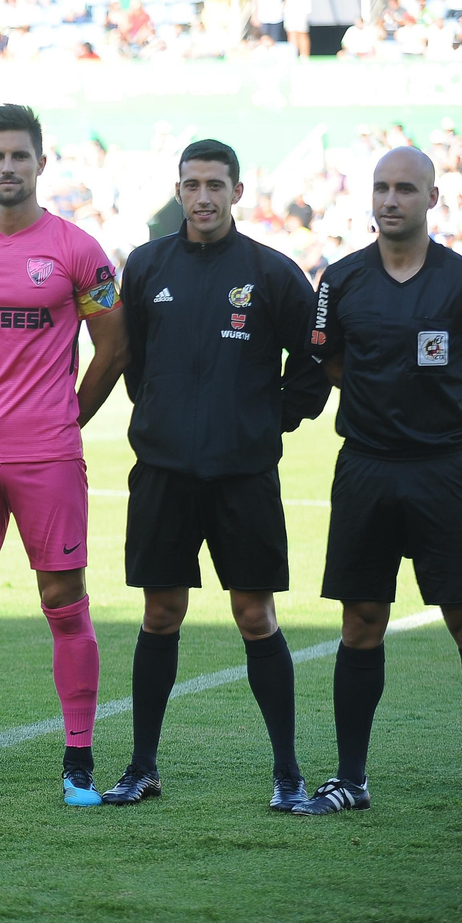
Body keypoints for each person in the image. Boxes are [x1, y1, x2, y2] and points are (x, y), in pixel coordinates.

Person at [295, 147, 462, 825]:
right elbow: (327, 356)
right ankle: (351, 778)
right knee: (361, 621)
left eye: (404, 189)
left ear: (431, 197)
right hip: (364, 466)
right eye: (381, 188)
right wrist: (372, 394)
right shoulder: (341, 280)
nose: (390, 199)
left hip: (441, 469)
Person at [98, 140, 329, 812]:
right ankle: (142, 766)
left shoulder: (272, 271)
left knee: (255, 615)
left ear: (237, 190)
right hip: (164, 472)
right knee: (160, 613)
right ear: (179, 188)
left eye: (215, 184)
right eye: (193, 184)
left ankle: (287, 773)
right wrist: (167, 414)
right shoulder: (145, 266)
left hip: (243, 475)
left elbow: (312, 369)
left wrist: (264, 422)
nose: (203, 196)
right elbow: (133, 361)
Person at [0, 104, 129, 806]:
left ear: (42, 163)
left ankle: (78, 760)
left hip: (49, 454)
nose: (8, 166)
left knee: (64, 601)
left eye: (20, 156)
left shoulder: (80, 249)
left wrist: (68, 415)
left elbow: (114, 347)